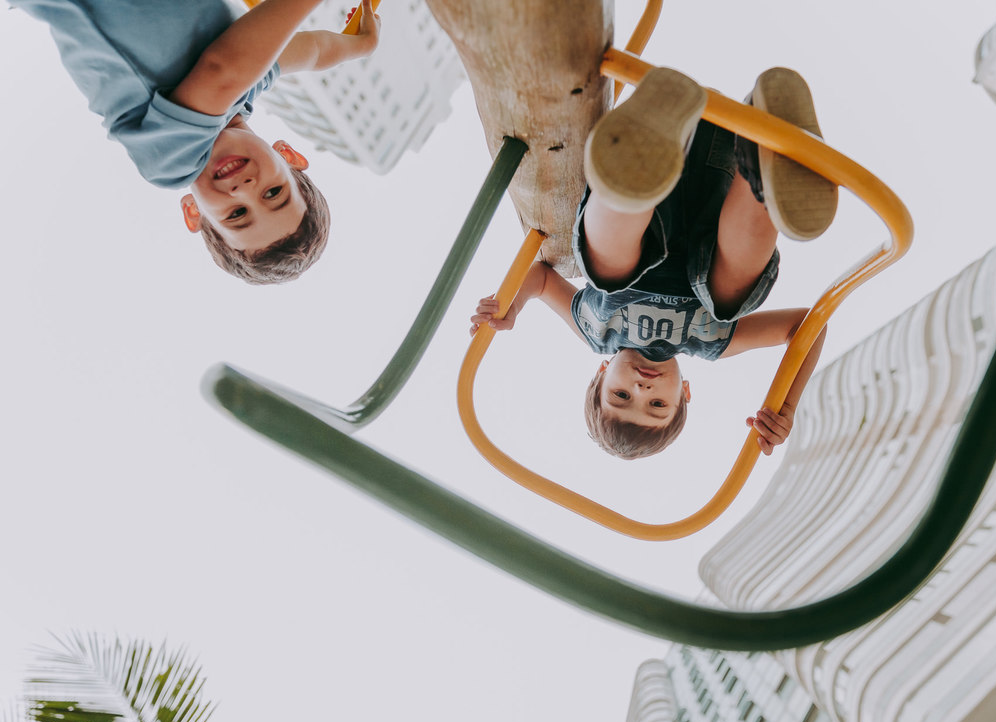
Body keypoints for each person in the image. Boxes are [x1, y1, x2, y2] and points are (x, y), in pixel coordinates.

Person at [470, 66, 833, 459]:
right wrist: (786, 406)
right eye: (657, 405)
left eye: (620, 395)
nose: (642, 389)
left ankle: (631, 169)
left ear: (602, 372)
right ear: (685, 393)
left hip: (654, 185)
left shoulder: (596, 331)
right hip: (714, 171)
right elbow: (806, 328)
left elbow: (541, 279)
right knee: (727, 299)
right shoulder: (710, 343)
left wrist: (513, 304)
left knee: (606, 273)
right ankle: (764, 168)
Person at [11, 0, 382, 284]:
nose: (244, 189)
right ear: (288, 156)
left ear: (194, 212)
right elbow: (314, 51)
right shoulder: (249, 88)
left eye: (236, 215)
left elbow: (223, 69)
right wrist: (358, 46)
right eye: (273, 192)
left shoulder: (173, 162)